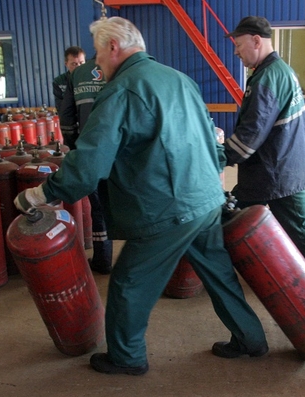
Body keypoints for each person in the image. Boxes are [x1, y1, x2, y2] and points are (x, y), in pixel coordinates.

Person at [15, 16, 268, 375]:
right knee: (218, 272)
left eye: (99, 57)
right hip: (206, 197)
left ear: (114, 47)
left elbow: (89, 164)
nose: (97, 67)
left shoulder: (121, 91)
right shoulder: (179, 79)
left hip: (167, 207)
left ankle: (126, 357)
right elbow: (211, 138)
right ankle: (250, 338)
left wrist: (44, 194)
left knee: (129, 282)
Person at [223, 16, 305, 292]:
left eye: (239, 44)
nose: (236, 51)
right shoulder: (278, 71)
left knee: (303, 230)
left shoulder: (267, 78)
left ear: (256, 41)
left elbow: (249, 138)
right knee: (232, 212)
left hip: (279, 174)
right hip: (279, 168)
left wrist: (216, 156)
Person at [59, 54, 113, 274]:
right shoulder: (124, 69)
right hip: (122, 152)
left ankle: (103, 260)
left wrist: (75, 146)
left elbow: (67, 116)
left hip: (90, 152)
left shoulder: (77, 74)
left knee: (99, 207)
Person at [52, 46, 85, 113]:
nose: (79, 67)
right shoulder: (59, 82)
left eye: (81, 63)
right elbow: (61, 108)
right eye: (74, 64)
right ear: (66, 64)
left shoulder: (92, 80)